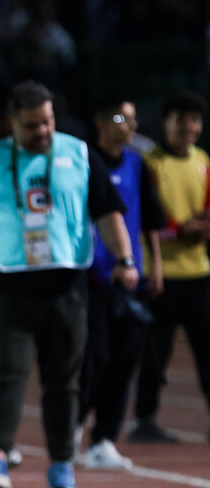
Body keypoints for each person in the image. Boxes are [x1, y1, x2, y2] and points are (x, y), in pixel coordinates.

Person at [0, 81, 137, 488]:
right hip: (8, 286)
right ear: (12, 122)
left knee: (63, 380)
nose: (43, 131)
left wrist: (124, 259)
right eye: (32, 125)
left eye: (48, 122)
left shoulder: (80, 154)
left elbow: (108, 212)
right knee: (7, 373)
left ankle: (61, 462)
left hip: (66, 286)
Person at [76, 99, 166, 467]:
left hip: (130, 277)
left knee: (126, 361)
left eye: (132, 118)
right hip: (90, 276)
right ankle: (73, 424)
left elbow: (150, 220)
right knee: (94, 358)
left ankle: (104, 439)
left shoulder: (137, 164)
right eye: (120, 117)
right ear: (100, 121)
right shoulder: (80, 162)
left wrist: (155, 265)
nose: (129, 125)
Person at [133, 92, 210, 443]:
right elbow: (144, 220)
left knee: (206, 350)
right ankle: (144, 419)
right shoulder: (149, 164)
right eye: (181, 120)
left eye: (194, 120)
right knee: (156, 350)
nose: (188, 127)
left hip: (199, 271)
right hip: (160, 273)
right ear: (166, 123)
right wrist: (179, 230)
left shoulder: (204, 161)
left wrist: (203, 227)